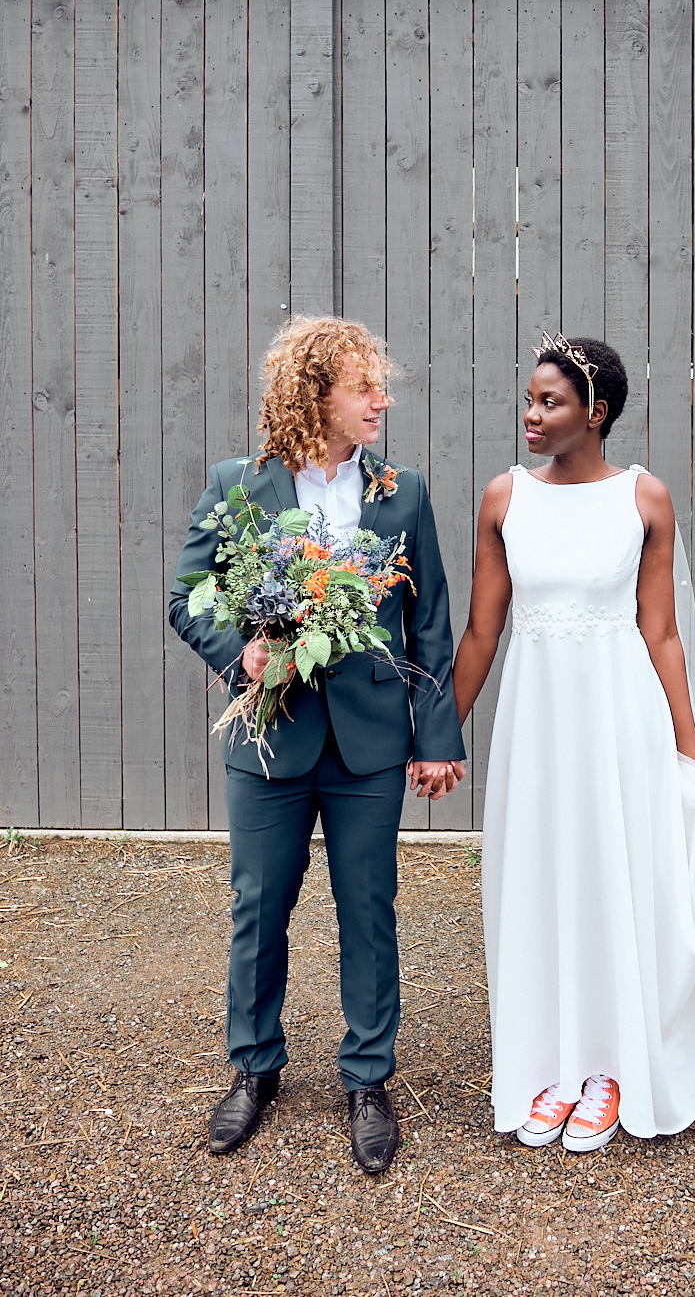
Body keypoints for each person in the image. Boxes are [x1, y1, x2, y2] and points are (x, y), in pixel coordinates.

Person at [452, 333, 695, 1152]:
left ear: (596, 413)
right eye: (530, 399)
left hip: (621, 724)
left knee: (617, 881)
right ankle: (544, 1067)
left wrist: (689, 749)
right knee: (536, 879)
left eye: (551, 402)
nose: (532, 415)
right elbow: (480, 631)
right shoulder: (504, 500)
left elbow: (662, 632)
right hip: (536, 729)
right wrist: (437, 736)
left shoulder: (644, 499)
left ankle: (607, 1070)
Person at [169, 316, 466, 1171]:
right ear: (313, 394)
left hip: (370, 744)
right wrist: (242, 654)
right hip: (272, 739)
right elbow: (189, 598)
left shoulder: (401, 492)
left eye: (382, 383)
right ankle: (254, 1068)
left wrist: (434, 737)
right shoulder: (238, 485)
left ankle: (369, 1078)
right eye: (363, 385)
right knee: (259, 909)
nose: (382, 399)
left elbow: (431, 623)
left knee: (369, 911)